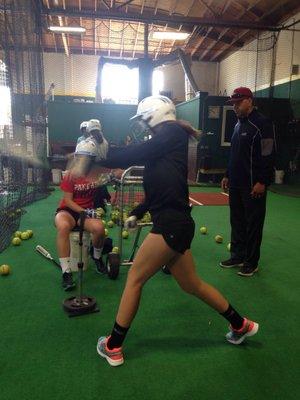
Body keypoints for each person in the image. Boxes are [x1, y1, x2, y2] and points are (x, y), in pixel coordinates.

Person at [93, 95, 259, 367]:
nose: (144, 126)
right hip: (178, 224)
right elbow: (164, 188)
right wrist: (137, 212)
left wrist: (103, 153)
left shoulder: (169, 133)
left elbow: (135, 153)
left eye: (145, 119)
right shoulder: (167, 142)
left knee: (134, 278)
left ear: (156, 114)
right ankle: (240, 325)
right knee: (191, 284)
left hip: (170, 226)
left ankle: (113, 345)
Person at [220, 87, 275, 277]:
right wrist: (227, 174)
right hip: (235, 183)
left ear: (249, 101)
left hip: (253, 185)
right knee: (237, 222)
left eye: (238, 102)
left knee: (253, 224)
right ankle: (237, 255)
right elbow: (235, 154)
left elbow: (268, 154)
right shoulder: (237, 125)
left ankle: (251, 262)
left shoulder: (263, 124)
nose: (235, 107)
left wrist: (262, 181)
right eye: (233, 103)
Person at [55, 139, 109, 291]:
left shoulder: (96, 173)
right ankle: (66, 272)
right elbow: (67, 200)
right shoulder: (71, 175)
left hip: (86, 211)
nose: (83, 161)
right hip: (69, 210)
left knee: (99, 229)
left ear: (93, 159)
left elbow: (111, 174)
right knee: (64, 227)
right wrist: (83, 212)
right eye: (81, 157)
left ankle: (97, 257)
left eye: (87, 158)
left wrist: (115, 175)